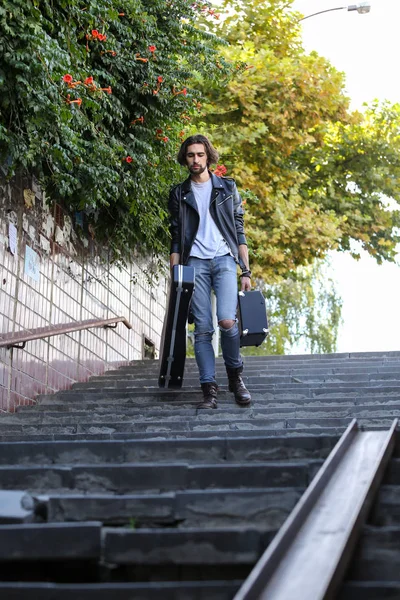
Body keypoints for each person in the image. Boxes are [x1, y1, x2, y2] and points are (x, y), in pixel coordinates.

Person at [168, 134, 252, 409]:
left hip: (224, 259)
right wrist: (175, 275)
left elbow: (238, 230)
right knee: (202, 330)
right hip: (195, 264)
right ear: (185, 158)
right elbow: (177, 236)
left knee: (227, 321)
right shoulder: (179, 193)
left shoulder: (227, 187)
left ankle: (235, 376)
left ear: (208, 157)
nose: (195, 159)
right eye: (191, 155)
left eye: (200, 154)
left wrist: (246, 271)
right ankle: (209, 390)